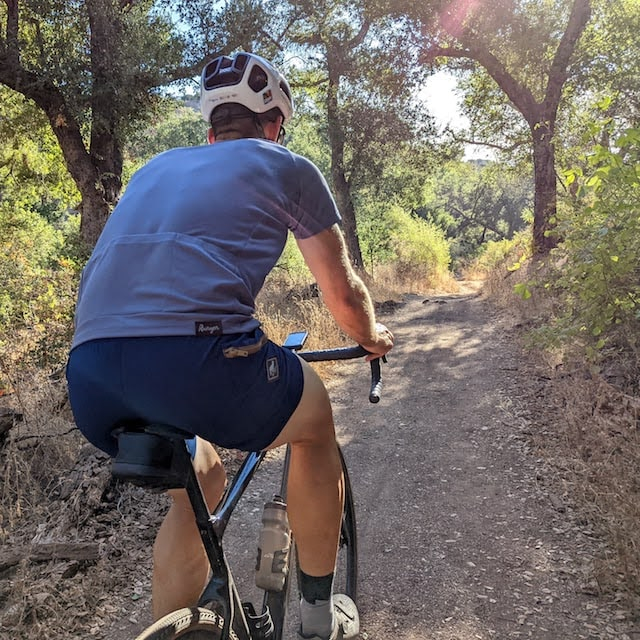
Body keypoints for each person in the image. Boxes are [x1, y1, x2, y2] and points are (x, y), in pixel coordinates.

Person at [65, 51, 394, 640]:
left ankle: (170, 627)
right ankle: (320, 619)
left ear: (212, 131)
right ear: (274, 126)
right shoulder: (286, 165)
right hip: (199, 361)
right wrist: (371, 338)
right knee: (315, 421)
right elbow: (342, 294)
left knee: (204, 473)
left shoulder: (154, 170)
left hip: (90, 375)